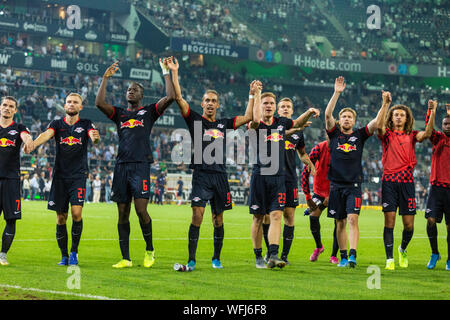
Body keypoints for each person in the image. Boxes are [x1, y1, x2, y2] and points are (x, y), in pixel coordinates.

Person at [167, 56, 256, 271]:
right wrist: (174, 72)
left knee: (218, 219)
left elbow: (248, 116)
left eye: (213, 101)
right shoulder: (195, 119)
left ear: (218, 104)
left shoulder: (224, 123)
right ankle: (191, 259)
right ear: (202, 103)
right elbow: (178, 98)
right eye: (206, 100)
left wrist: (253, 94)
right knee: (197, 215)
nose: (209, 103)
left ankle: (216, 258)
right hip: (201, 174)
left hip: (219, 175)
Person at [95, 59, 175, 269]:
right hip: (121, 166)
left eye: (134, 90)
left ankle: (150, 250)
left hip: (140, 165)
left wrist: (165, 72)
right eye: (128, 89)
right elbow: (99, 104)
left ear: (141, 95)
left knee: (141, 210)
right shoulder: (120, 114)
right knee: (122, 213)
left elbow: (171, 97)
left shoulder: (148, 112)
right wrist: (105, 78)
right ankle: (126, 258)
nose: (130, 92)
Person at [249, 91, 320, 269]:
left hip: (280, 177)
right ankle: (258, 256)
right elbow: (255, 120)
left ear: (275, 107)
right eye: (265, 103)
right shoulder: (255, 123)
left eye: (271, 103)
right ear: (260, 106)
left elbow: (297, 123)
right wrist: (255, 96)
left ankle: (274, 254)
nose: (269, 106)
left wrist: (310, 111)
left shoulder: (282, 123)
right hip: (260, 175)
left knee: (276, 215)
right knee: (258, 218)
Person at [324, 77, 387, 268]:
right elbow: (327, 115)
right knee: (339, 223)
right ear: (339, 120)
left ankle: (352, 254)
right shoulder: (334, 134)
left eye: (350, 117)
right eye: (343, 116)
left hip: (353, 186)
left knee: (352, 219)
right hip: (335, 185)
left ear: (354, 120)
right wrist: (337, 92)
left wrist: (385, 104)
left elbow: (376, 122)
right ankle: (343, 256)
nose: (346, 119)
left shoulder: (359, 135)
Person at [32, 92, 100, 266]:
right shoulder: (56, 124)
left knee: (76, 213)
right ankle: (64, 255)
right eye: (69, 102)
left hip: (78, 175)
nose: (71, 104)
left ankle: (74, 252)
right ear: (65, 105)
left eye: (75, 102)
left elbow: (93, 135)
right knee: (61, 217)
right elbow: (46, 135)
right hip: (60, 176)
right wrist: (33, 143)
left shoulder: (85, 124)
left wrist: (95, 138)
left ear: (80, 106)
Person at [377, 94, 436, 270]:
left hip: (407, 183)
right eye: (396, 114)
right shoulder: (386, 134)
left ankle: (402, 249)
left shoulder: (412, 135)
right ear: (391, 117)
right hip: (389, 182)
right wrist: (385, 104)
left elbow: (428, 133)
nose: (399, 117)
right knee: (390, 221)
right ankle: (389, 259)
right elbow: (379, 126)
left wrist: (432, 112)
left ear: (407, 118)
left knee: (409, 226)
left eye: (402, 114)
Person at [0, 96, 34, 266]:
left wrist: (28, 143)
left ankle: (3, 255)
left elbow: (26, 136)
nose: (7, 108)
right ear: (0, 107)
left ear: (15, 110)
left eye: (11, 106)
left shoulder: (19, 127)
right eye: (5, 105)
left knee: (11, 219)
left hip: (11, 180)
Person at [301, 137, 339, 264]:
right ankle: (319, 246)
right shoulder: (319, 148)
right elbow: (305, 171)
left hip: (337, 190)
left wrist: (332, 194)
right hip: (320, 190)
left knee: (339, 223)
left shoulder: (342, 150)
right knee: (313, 217)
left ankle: (334, 255)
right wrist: (307, 197)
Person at [424, 104, 449, 270]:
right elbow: (428, 128)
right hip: (436, 186)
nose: (448, 126)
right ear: (442, 126)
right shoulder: (438, 138)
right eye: (446, 124)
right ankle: (435, 253)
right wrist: (432, 111)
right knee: (431, 221)